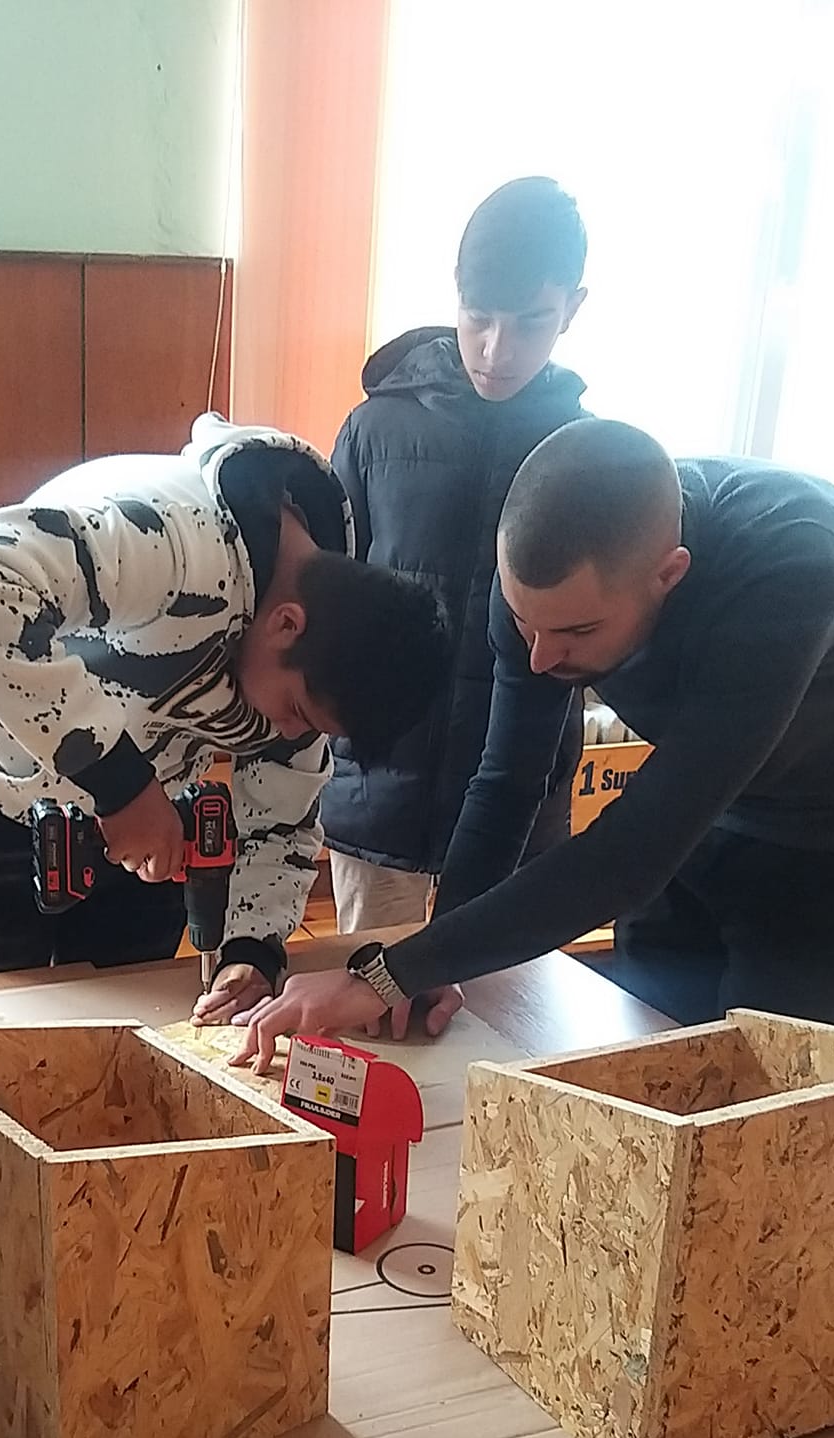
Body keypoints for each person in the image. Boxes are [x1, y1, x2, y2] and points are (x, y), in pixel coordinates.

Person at [235, 418, 834, 1064]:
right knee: (650, 1047)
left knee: (768, 1078)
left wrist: (387, 973)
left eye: (576, 632)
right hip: (715, 806)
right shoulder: (541, 592)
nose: (541, 658)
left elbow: (632, 853)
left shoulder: (791, 566)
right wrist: (430, 967)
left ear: (669, 575)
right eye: (524, 624)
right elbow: (508, 782)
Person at [0, 413, 450, 1023]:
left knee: (131, 1015)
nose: (289, 735)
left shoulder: (331, 645)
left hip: (140, 800)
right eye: (295, 712)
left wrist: (251, 952)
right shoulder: (170, 537)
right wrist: (121, 785)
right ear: (286, 624)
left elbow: (283, 819)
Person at [323, 177, 589, 933]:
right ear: (456, 296)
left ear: (572, 308)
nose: (497, 351)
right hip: (381, 792)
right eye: (479, 318)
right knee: (370, 990)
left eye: (531, 323)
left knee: (505, 996)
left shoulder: (586, 454)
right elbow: (328, 603)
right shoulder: (375, 429)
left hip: (522, 794)